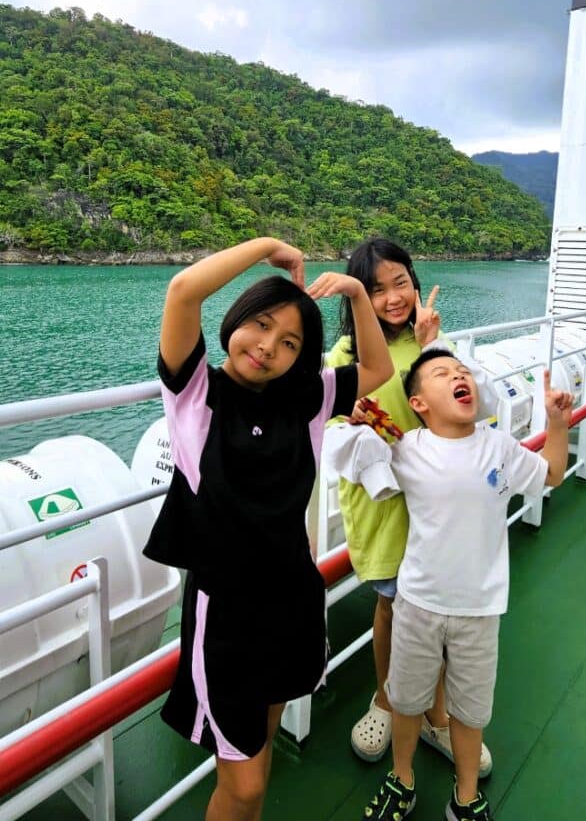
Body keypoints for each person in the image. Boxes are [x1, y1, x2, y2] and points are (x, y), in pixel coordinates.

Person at [143, 237, 393, 821]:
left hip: (293, 602)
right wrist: (265, 248)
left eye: (288, 343)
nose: (267, 347)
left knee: (262, 752)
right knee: (247, 782)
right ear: (236, 319)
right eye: (259, 325)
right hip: (226, 614)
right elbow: (183, 291)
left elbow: (378, 368)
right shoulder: (196, 398)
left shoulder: (305, 399)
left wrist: (357, 293)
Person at [331, 348, 573, 821]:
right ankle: (402, 778)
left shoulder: (498, 446)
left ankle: (465, 796)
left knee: (471, 710)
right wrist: (356, 418)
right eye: (442, 374)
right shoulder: (407, 449)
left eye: (463, 373)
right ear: (419, 403)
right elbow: (356, 450)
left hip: (479, 610)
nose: (458, 376)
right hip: (417, 604)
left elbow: (551, 473)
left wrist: (557, 423)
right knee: (404, 699)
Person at [323, 238, 494, 777]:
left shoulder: (433, 348)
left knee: (438, 608)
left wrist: (433, 346)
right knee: (394, 604)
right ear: (358, 302)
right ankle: (389, 698)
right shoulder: (345, 357)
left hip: (438, 502)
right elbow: (328, 430)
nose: (393, 297)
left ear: (415, 283)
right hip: (385, 503)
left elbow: (465, 411)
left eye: (401, 282)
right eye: (376, 289)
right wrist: (349, 423)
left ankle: (436, 715)